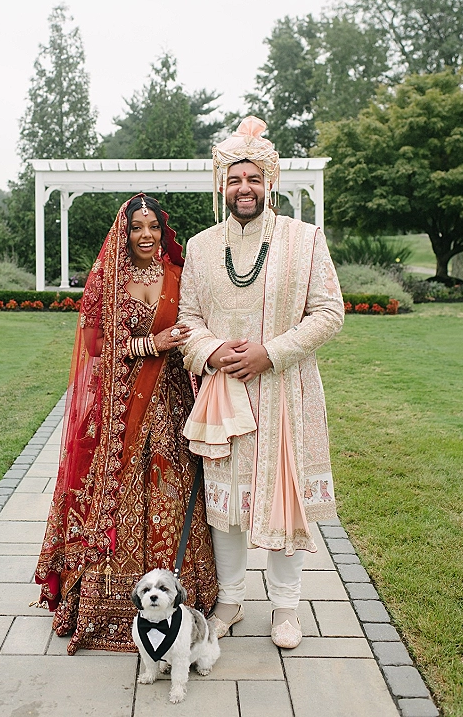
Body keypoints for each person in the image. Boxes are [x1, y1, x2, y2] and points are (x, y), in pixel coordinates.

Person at [178, 116, 344, 649]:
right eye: (233, 179)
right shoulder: (202, 247)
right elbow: (187, 319)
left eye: (253, 179)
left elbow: (328, 312)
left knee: (282, 499)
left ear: (270, 183)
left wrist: (270, 353)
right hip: (223, 393)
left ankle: (286, 609)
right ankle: (229, 601)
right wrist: (211, 350)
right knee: (225, 502)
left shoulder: (304, 239)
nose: (243, 188)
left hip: (284, 392)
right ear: (221, 185)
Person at [35, 194, 217, 653]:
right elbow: (96, 346)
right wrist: (149, 344)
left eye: (153, 226)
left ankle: (181, 594)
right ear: (124, 232)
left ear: (162, 231)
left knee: (174, 489)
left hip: (174, 401)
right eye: (137, 227)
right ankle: (109, 602)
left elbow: (200, 325)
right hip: (120, 411)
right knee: (121, 492)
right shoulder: (110, 283)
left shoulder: (180, 276)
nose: (146, 235)